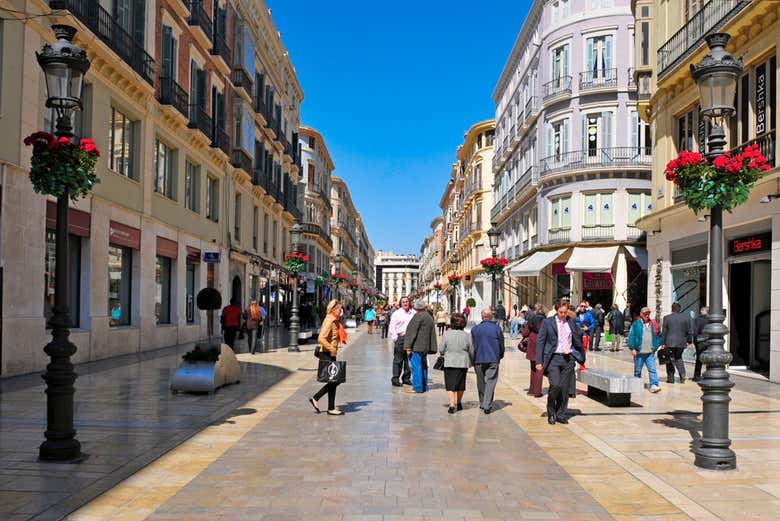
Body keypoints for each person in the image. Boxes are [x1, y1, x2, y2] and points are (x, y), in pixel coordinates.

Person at [536, 300, 585, 425]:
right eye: (561, 312)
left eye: (565, 312)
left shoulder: (571, 322)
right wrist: (539, 361)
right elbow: (540, 342)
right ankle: (551, 411)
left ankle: (561, 414)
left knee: (564, 389)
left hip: (568, 359)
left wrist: (577, 354)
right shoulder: (548, 323)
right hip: (554, 359)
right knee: (555, 385)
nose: (563, 315)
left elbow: (576, 338)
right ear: (556, 311)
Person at [309, 300, 346, 415]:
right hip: (326, 352)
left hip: (330, 353)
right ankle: (317, 398)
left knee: (334, 380)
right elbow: (321, 338)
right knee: (335, 380)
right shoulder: (329, 320)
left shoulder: (335, 320)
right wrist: (331, 348)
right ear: (334, 309)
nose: (341, 311)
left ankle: (330, 407)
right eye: (340, 308)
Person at [470, 307, 504, 414]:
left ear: (482, 317)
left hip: (479, 358)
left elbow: (472, 346)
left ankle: (482, 402)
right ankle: (487, 405)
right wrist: (500, 355)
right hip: (493, 358)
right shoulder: (497, 329)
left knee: (481, 382)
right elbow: (501, 345)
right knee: (490, 382)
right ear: (491, 317)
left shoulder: (475, 329)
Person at [438, 312, 474, 413]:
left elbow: (441, 349)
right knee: (460, 383)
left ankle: (452, 404)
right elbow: (471, 349)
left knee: (450, 384)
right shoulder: (467, 335)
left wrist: (444, 352)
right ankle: (459, 403)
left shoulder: (447, 334)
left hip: (449, 361)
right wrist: (472, 360)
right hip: (462, 362)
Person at [404, 299, 437, 393]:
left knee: (416, 367)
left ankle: (417, 387)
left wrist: (408, 347)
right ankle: (424, 386)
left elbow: (411, 332)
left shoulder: (418, 316)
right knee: (423, 366)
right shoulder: (428, 316)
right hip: (425, 347)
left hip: (416, 346)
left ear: (416, 307)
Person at [628, 307, 663, 393]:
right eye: (645, 314)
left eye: (648, 313)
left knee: (652, 370)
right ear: (641, 314)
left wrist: (656, 346)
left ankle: (654, 385)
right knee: (637, 370)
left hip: (650, 353)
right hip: (639, 352)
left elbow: (659, 335)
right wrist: (632, 348)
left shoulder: (653, 324)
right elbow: (631, 336)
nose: (647, 315)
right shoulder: (636, 324)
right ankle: (636, 384)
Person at [662, 302, 692, 383]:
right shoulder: (686, 318)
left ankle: (671, 378)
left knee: (670, 360)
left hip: (669, 342)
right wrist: (689, 342)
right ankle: (682, 374)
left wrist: (663, 343)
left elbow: (664, 331)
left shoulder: (667, 318)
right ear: (680, 309)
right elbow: (689, 331)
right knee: (678, 358)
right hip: (681, 343)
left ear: (672, 309)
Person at [389, 296, 415, 386]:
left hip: (411, 338)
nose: (405, 303)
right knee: (398, 359)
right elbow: (392, 326)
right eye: (403, 302)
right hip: (401, 337)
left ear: (409, 302)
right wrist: (396, 338)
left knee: (409, 359)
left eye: (407, 301)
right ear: (401, 303)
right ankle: (395, 379)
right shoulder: (396, 313)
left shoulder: (413, 313)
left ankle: (406, 378)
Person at [521, 304, 545, 397]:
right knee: (539, 368)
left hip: (532, 343)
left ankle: (531, 390)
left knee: (533, 368)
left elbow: (525, 333)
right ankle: (537, 391)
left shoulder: (531, 319)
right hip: (541, 343)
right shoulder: (545, 320)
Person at [692, 306, 709, 382]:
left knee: (699, 359)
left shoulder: (698, 319)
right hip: (709, 341)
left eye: (702, 310)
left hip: (700, 341)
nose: (700, 311)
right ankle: (709, 375)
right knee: (709, 359)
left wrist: (695, 341)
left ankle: (697, 376)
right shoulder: (711, 319)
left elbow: (695, 331)